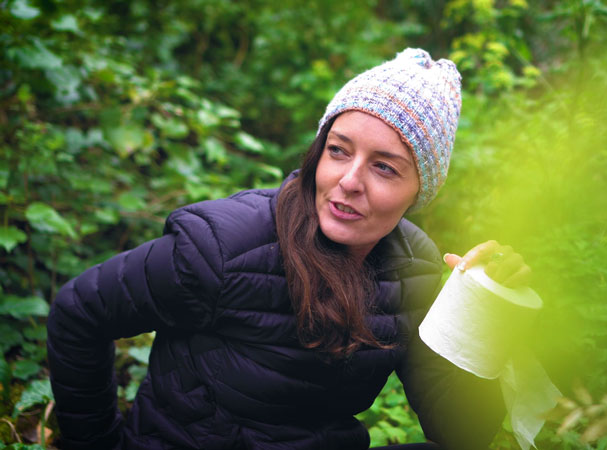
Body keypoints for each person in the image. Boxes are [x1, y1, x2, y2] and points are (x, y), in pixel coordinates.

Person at [47, 48, 532, 450]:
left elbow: (460, 434)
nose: (348, 181)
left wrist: (483, 311)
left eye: (384, 167)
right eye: (339, 150)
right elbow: (80, 310)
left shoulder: (413, 268)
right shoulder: (222, 246)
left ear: (421, 190)